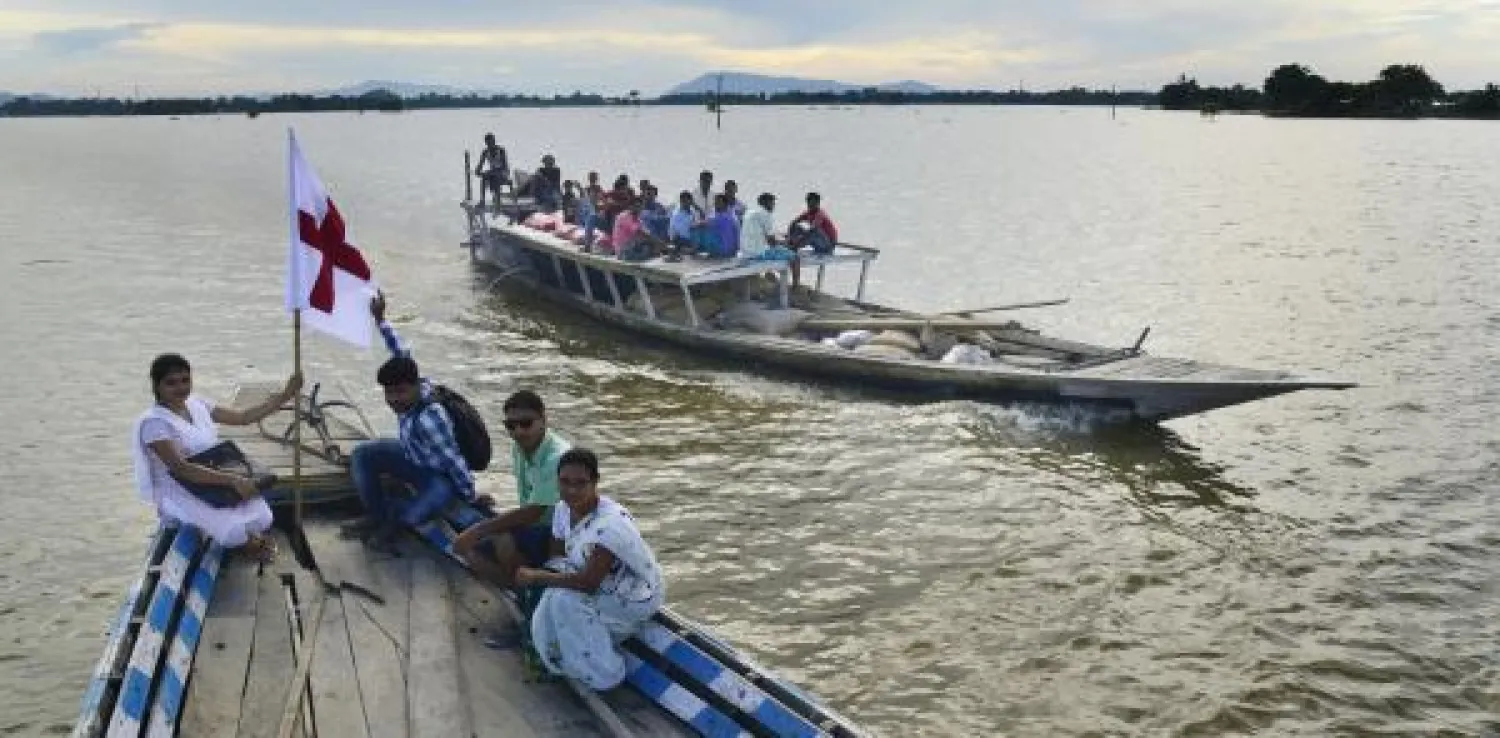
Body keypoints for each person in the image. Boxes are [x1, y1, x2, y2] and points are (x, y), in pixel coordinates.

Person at [520, 448, 665, 690]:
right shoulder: (563, 509)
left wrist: (538, 577)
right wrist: (548, 575)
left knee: (562, 600)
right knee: (547, 595)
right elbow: (557, 553)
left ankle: (606, 674)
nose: (571, 490)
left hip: (634, 594)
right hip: (597, 579)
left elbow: (588, 583)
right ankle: (557, 658)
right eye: (565, 482)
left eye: (581, 483)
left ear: (595, 482)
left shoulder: (610, 525)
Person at [132, 354, 302, 560]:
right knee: (233, 533)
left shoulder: (196, 403)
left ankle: (245, 540)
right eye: (171, 383)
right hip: (178, 487)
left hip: (212, 477)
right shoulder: (154, 423)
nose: (180, 388)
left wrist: (285, 395)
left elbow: (243, 417)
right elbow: (180, 468)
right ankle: (244, 543)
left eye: (185, 380)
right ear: (157, 386)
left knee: (263, 518)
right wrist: (234, 480)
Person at [342, 292, 476, 552]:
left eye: (400, 392)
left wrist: (470, 496)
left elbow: (454, 460)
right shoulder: (411, 384)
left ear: (415, 385)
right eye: (389, 393)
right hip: (413, 455)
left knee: (413, 516)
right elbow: (401, 352)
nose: (394, 400)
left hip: (438, 476)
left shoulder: (430, 418)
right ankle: (378, 515)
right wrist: (381, 320)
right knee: (362, 454)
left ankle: (394, 521)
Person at [454, 391, 572, 589]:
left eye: (526, 423)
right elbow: (528, 504)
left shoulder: (557, 457)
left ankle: (524, 588)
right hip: (538, 525)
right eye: (511, 426)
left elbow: (535, 511)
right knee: (478, 537)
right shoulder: (520, 448)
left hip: (559, 534)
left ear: (543, 420)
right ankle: (518, 581)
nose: (518, 432)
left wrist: (479, 530)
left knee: (494, 540)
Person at [740, 192, 801, 288]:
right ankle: (796, 287)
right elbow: (772, 242)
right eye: (771, 202)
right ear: (764, 203)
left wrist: (783, 238)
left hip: (745, 252)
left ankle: (771, 276)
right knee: (795, 258)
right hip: (757, 253)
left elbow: (764, 234)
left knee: (779, 251)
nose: (773, 205)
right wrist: (787, 243)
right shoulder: (765, 214)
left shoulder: (750, 212)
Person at [474, 134, 510, 210]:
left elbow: (504, 166)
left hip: (503, 173)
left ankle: (498, 202)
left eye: (491, 142)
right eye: (488, 143)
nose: (490, 145)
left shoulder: (501, 151)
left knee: (494, 177)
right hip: (493, 173)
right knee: (484, 178)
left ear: (494, 141)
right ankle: (482, 200)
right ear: (486, 143)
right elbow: (480, 165)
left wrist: (490, 172)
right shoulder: (485, 152)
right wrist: (478, 171)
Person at [667, 190, 705, 261]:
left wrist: (696, 207)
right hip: (678, 239)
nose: (685, 203)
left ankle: (690, 250)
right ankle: (682, 251)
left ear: (691, 201)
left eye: (687, 201)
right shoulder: (677, 214)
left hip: (689, 238)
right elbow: (682, 231)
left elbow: (702, 216)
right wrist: (697, 225)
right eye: (683, 201)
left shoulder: (692, 211)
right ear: (681, 201)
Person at [708, 193, 740, 258]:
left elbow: (737, 234)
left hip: (725, 251)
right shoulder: (713, 215)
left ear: (725, 204)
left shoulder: (729, 217)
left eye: (718, 202)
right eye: (715, 202)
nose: (715, 204)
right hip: (718, 251)